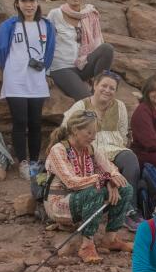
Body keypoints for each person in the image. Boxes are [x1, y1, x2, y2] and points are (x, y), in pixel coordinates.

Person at [43, 110, 135, 264]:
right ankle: (87, 245)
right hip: (60, 203)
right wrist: (105, 180)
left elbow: (111, 168)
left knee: (125, 188)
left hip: (85, 195)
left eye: (95, 133)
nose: (93, 137)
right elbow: (71, 182)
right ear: (74, 130)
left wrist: (113, 179)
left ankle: (110, 239)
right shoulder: (58, 150)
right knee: (94, 192)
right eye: (89, 132)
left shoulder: (90, 148)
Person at [0, 0, 55, 180]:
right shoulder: (9, 25)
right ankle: (23, 161)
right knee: (20, 121)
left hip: (36, 80)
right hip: (15, 79)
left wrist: (43, 68)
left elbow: (50, 51)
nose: (29, 5)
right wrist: (12, 69)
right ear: (17, 3)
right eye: (24, 1)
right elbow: (0, 53)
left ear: (37, 3)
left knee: (35, 122)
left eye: (32, 1)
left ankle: (35, 161)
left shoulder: (47, 26)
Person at [62, 71, 139, 191]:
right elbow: (65, 130)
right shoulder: (81, 106)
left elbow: (123, 134)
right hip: (88, 151)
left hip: (115, 150)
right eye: (104, 86)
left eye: (112, 88)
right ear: (95, 85)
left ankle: (129, 207)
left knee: (130, 159)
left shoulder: (120, 106)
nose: (107, 90)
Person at [47, 0, 115, 100]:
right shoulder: (55, 14)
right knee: (86, 100)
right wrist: (44, 73)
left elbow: (97, 43)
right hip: (61, 67)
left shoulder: (90, 15)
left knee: (107, 49)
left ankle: (98, 89)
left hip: (82, 65)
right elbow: (45, 43)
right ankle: (92, 101)